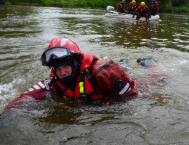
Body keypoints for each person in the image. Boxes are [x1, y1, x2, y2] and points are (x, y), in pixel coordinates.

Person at [4, 38, 165, 110]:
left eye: (66, 66)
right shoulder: (52, 82)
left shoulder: (103, 72)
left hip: (112, 88)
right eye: (57, 68)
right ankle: (125, 64)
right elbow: (25, 97)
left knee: (160, 81)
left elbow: (133, 98)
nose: (62, 73)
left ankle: (149, 64)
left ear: (75, 61)